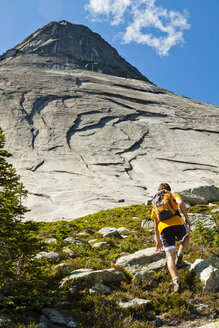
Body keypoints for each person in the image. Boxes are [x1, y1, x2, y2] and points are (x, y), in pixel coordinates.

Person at [151, 183, 191, 292]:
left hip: (164, 229)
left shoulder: (155, 202)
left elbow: (155, 224)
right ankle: (180, 254)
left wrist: (158, 240)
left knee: (169, 256)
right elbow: (181, 203)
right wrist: (187, 218)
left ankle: (175, 281)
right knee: (187, 235)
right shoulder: (173, 195)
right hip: (178, 224)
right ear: (169, 190)